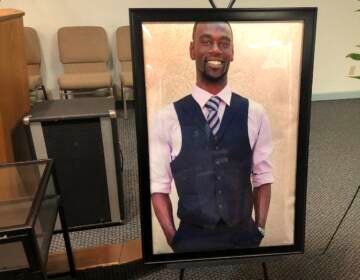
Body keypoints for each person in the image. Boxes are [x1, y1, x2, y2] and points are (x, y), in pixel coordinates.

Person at [149, 21, 273, 253]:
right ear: (192, 49)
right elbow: (158, 187)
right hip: (191, 236)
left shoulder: (256, 113)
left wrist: (261, 229)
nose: (216, 49)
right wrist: (172, 238)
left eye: (224, 43)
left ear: (232, 53)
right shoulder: (166, 118)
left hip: (244, 233)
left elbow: (263, 176)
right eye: (206, 41)